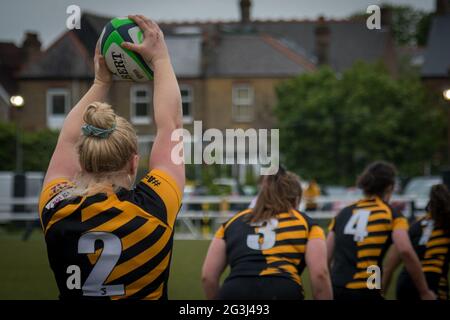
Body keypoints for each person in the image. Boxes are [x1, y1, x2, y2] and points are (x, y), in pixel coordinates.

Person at [38, 15, 184, 300]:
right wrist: (162, 60)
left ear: (82, 161)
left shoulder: (56, 209)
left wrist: (100, 81)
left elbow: (67, 140)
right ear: (133, 162)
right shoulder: (155, 208)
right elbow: (171, 127)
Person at [201, 167, 333, 300]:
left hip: (234, 291)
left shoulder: (231, 223)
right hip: (283, 290)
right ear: (296, 199)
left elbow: (208, 276)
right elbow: (320, 274)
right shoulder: (307, 224)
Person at [326, 161, 435, 300]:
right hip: (368, 287)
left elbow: (326, 257)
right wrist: (424, 291)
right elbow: (405, 250)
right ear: (390, 187)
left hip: (337, 288)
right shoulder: (391, 215)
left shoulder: (343, 213)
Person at [383, 184, 450, 300]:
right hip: (433, 284)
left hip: (405, 284)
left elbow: (389, 266)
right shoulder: (446, 224)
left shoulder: (414, 226)